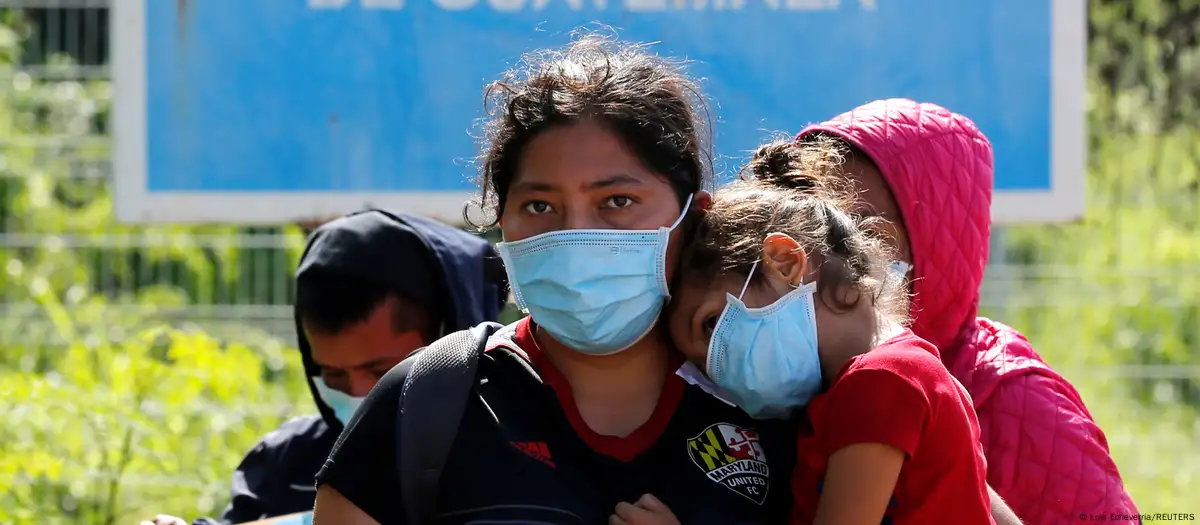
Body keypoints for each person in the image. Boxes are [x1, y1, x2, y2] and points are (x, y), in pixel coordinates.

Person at [311, 35, 797, 525]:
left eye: (617, 201)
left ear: (691, 218)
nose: (575, 234)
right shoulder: (428, 399)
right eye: (540, 206)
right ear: (503, 221)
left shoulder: (766, 402)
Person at [793, 98, 1138, 524]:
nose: (829, 255)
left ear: (934, 239)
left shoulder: (1015, 402)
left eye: (864, 229)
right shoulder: (793, 381)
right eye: (815, 227)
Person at [656, 140, 994, 525]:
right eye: (703, 365)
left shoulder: (880, 383)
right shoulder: (896, 375)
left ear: (784, 262)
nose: (718, 367)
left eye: (712, 324)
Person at [141, 209, 508, 525]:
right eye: (333, 375)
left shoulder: (516, 456)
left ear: (450, 340)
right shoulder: (288, 463)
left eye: (383, 374)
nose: (358, 395)